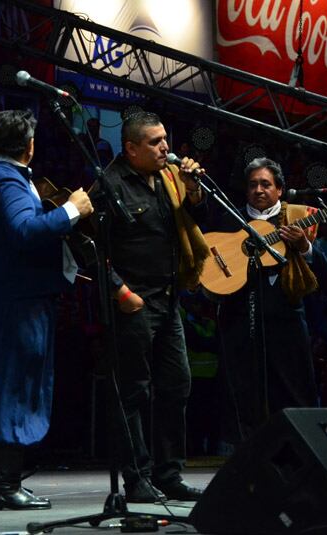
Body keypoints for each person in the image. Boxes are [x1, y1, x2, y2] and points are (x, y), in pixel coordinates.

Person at [0, 109, 93, 510]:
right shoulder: (6, 178)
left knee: (9, 386)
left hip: (6, 298)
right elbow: (24, 230)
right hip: (16, 302)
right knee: (13, 388)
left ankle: (3, 483)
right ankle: (3, 487)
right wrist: (72, 210)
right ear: (30, 146)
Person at [96, 111, 210, 503]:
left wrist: (194, 189)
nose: (166, 147)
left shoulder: (170, 179)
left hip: (168, 298)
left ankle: (169, 473)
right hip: (133, 303)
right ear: (130, 148)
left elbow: (194, 222)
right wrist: (119, 291)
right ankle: (138, 477)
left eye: (165, 138)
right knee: (134, 392)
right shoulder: (109, 184)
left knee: (177, 384)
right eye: (154, 142)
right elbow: (85, 246)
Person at [216, 157, 327, 446]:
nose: (259, 189)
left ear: (280, 189)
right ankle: (249, 461)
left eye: (266, 184)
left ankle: (300, 455)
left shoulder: (298, 217)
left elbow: (322, 273)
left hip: (287, 321)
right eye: (253, 184)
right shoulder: (232, 217)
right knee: (245, 395)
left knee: (294, 392)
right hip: (240, 322)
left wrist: (303, 246)